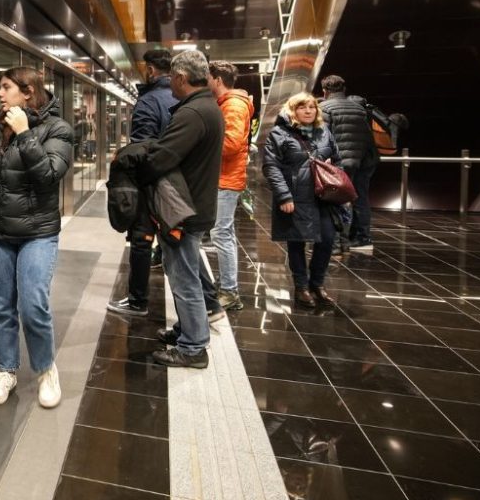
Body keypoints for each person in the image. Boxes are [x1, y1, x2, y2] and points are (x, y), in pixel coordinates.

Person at [0, 67, 73, 408]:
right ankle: (6, 369)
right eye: (0, 88)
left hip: (37, 233)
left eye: (6, 88)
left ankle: (46, 369)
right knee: (1, 305)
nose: (0, 94)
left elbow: (49, 176)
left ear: (28, 92)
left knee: (33, 304)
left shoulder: (58, 129)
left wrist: (25, 135)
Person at [131, 50, 224, 368]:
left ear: (182, 78)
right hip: (195, 205)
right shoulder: (203, 107)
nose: (169, 82)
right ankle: (188, 330)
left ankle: (193, 347)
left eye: (172, 77)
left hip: (184, 210)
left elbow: (161, 158)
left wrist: (137, 162)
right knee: (187, 274)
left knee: (183, 278)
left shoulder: (193, 113)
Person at [106, 49, 174, 318]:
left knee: (141, 240)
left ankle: (137, 300)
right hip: (178, 181)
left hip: (151, 182)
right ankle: (210, 303)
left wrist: (124, 157)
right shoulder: (183, 98)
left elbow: (143, 147)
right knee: (178, 242)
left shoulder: (149, 101)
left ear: (150, 70)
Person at [262, 93, 342, 309]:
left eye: (311, 107)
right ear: (292, 110)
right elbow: (271, 167)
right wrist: (284, 195)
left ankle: (317, 284)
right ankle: (301, 287)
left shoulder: (324, 132)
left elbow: (337, 160)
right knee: (296, 241)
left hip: (322, 197)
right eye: (302, 107)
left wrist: (334, 176)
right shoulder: (279, 134)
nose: (308, 111)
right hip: (295, 196)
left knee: (326, 239)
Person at [208, 60, 255, 311]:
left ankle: (230, 291)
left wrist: (203, 143)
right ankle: (227, 284)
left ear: (216, 79)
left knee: (221, 234)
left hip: (226, 179)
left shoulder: (234, 105)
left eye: (207, 77)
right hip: (225, 178)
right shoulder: (228, 104)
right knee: (224, 233)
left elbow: (231, 144)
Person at [318, 75, 376, 252]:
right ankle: (362, 238)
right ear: (344, 89)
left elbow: (323, 138)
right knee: (360, 199)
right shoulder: (359, 108)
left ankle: (335, 243)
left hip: (338, 161)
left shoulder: (324, 108)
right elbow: (367, 137)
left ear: (325, 91)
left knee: (333, 201)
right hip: (362, 161)